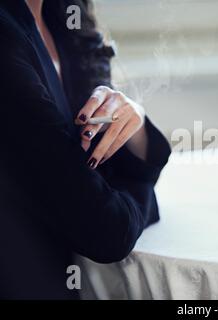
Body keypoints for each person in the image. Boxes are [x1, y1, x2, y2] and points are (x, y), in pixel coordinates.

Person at [0, 0, 171, 299]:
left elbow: (105, 169)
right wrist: (139, 185)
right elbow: (107, 231)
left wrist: (134, 116)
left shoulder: (60, 18)